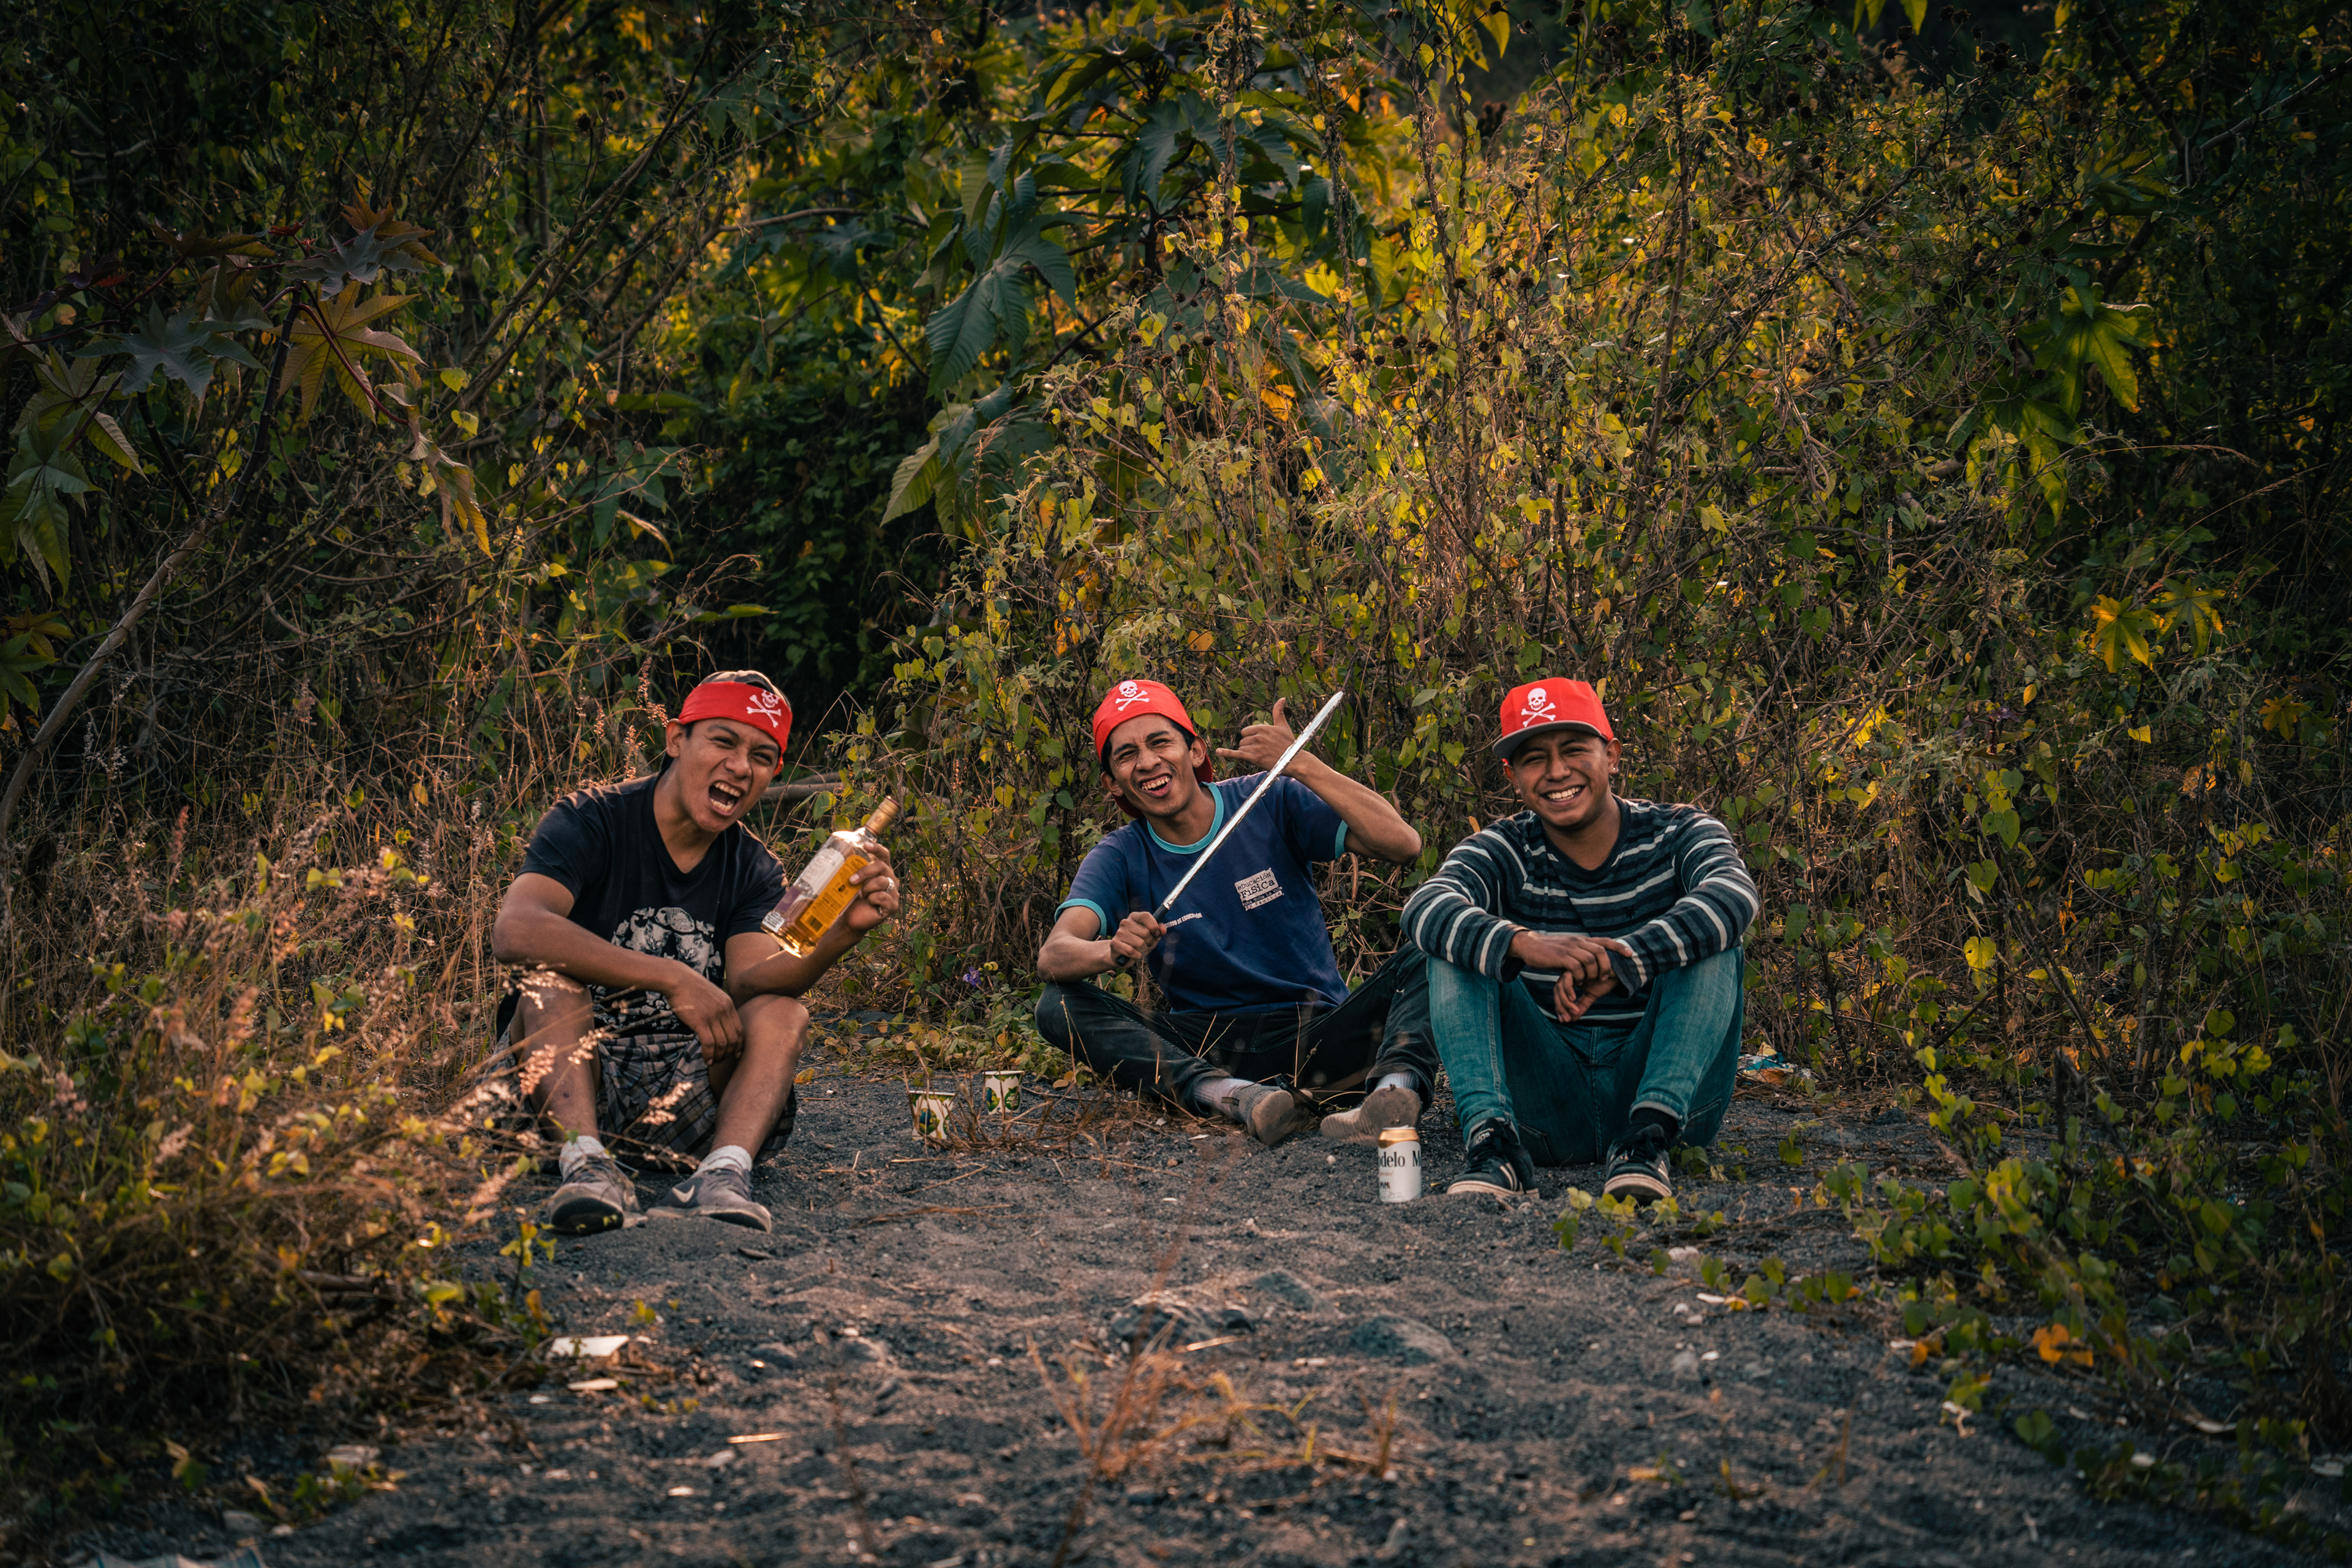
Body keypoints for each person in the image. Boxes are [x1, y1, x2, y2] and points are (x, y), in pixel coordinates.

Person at [491, 671, 900, 1235]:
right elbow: (517, 931)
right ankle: (585, 1166)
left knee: (785, 1012)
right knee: (547, 986)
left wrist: (843, 935)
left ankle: (721, 1174)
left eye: (761, 755)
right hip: (568, 1079)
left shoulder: (754, 869)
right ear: (676, 739)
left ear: (771, 775)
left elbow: (754, 980)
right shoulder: (591, 819)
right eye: (723, 741)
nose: (740, 767)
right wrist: (673, 978)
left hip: (683, 1099)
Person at [1033, 678, 1433, 1146]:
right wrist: (1111, 950)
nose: (1147, 762)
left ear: (1197, 751)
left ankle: (1389, 1100)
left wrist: (1299, 763)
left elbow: (1404, 845)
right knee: (1056, 1004)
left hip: (1316, 1033)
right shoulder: (1120, 854)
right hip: (1209, 1049)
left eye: (1160, 742)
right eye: (1126, 755)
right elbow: (1054, 955)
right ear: (1112, 782)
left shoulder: (1270, 798)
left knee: (1434, 949)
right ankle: (1235, 1098)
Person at [1401, 679, 1758, 1201]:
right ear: (1514, 777)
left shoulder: (1681, 831)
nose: (1557, 772)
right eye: (1534, 759)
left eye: (1574, 750)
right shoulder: (1504, 847)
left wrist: (1627, 960)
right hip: (1544, 1110)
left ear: (1611, 755)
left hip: (1670, 1109)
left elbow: (1734, 893)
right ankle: (1495, 1146)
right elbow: (1424, 906)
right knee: (1458, 944)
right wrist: (1524, 943)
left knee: (1714, 934)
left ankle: (1646, 1139)